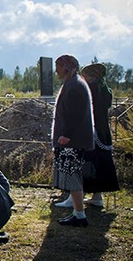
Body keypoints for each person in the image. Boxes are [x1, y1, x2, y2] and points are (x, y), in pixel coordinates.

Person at [55, 63, 119, 208]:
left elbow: (78, 111)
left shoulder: (87, 88)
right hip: (102, 132)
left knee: (82, 164)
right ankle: (97, 196)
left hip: (89, 131)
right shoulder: (105, 90)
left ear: (91, 76)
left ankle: (74, 198)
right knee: (99, 164)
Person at [51, 55, 95, 227]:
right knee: (72, 175)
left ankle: (79, 215)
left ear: (67, 67)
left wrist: (66, 134)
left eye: (58, 67)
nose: (56, 71)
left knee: (72, 175)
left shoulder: (75, 85)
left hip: (72, 140)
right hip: (72, 139)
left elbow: (75, 114)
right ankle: (78, 212)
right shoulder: (74, 83)